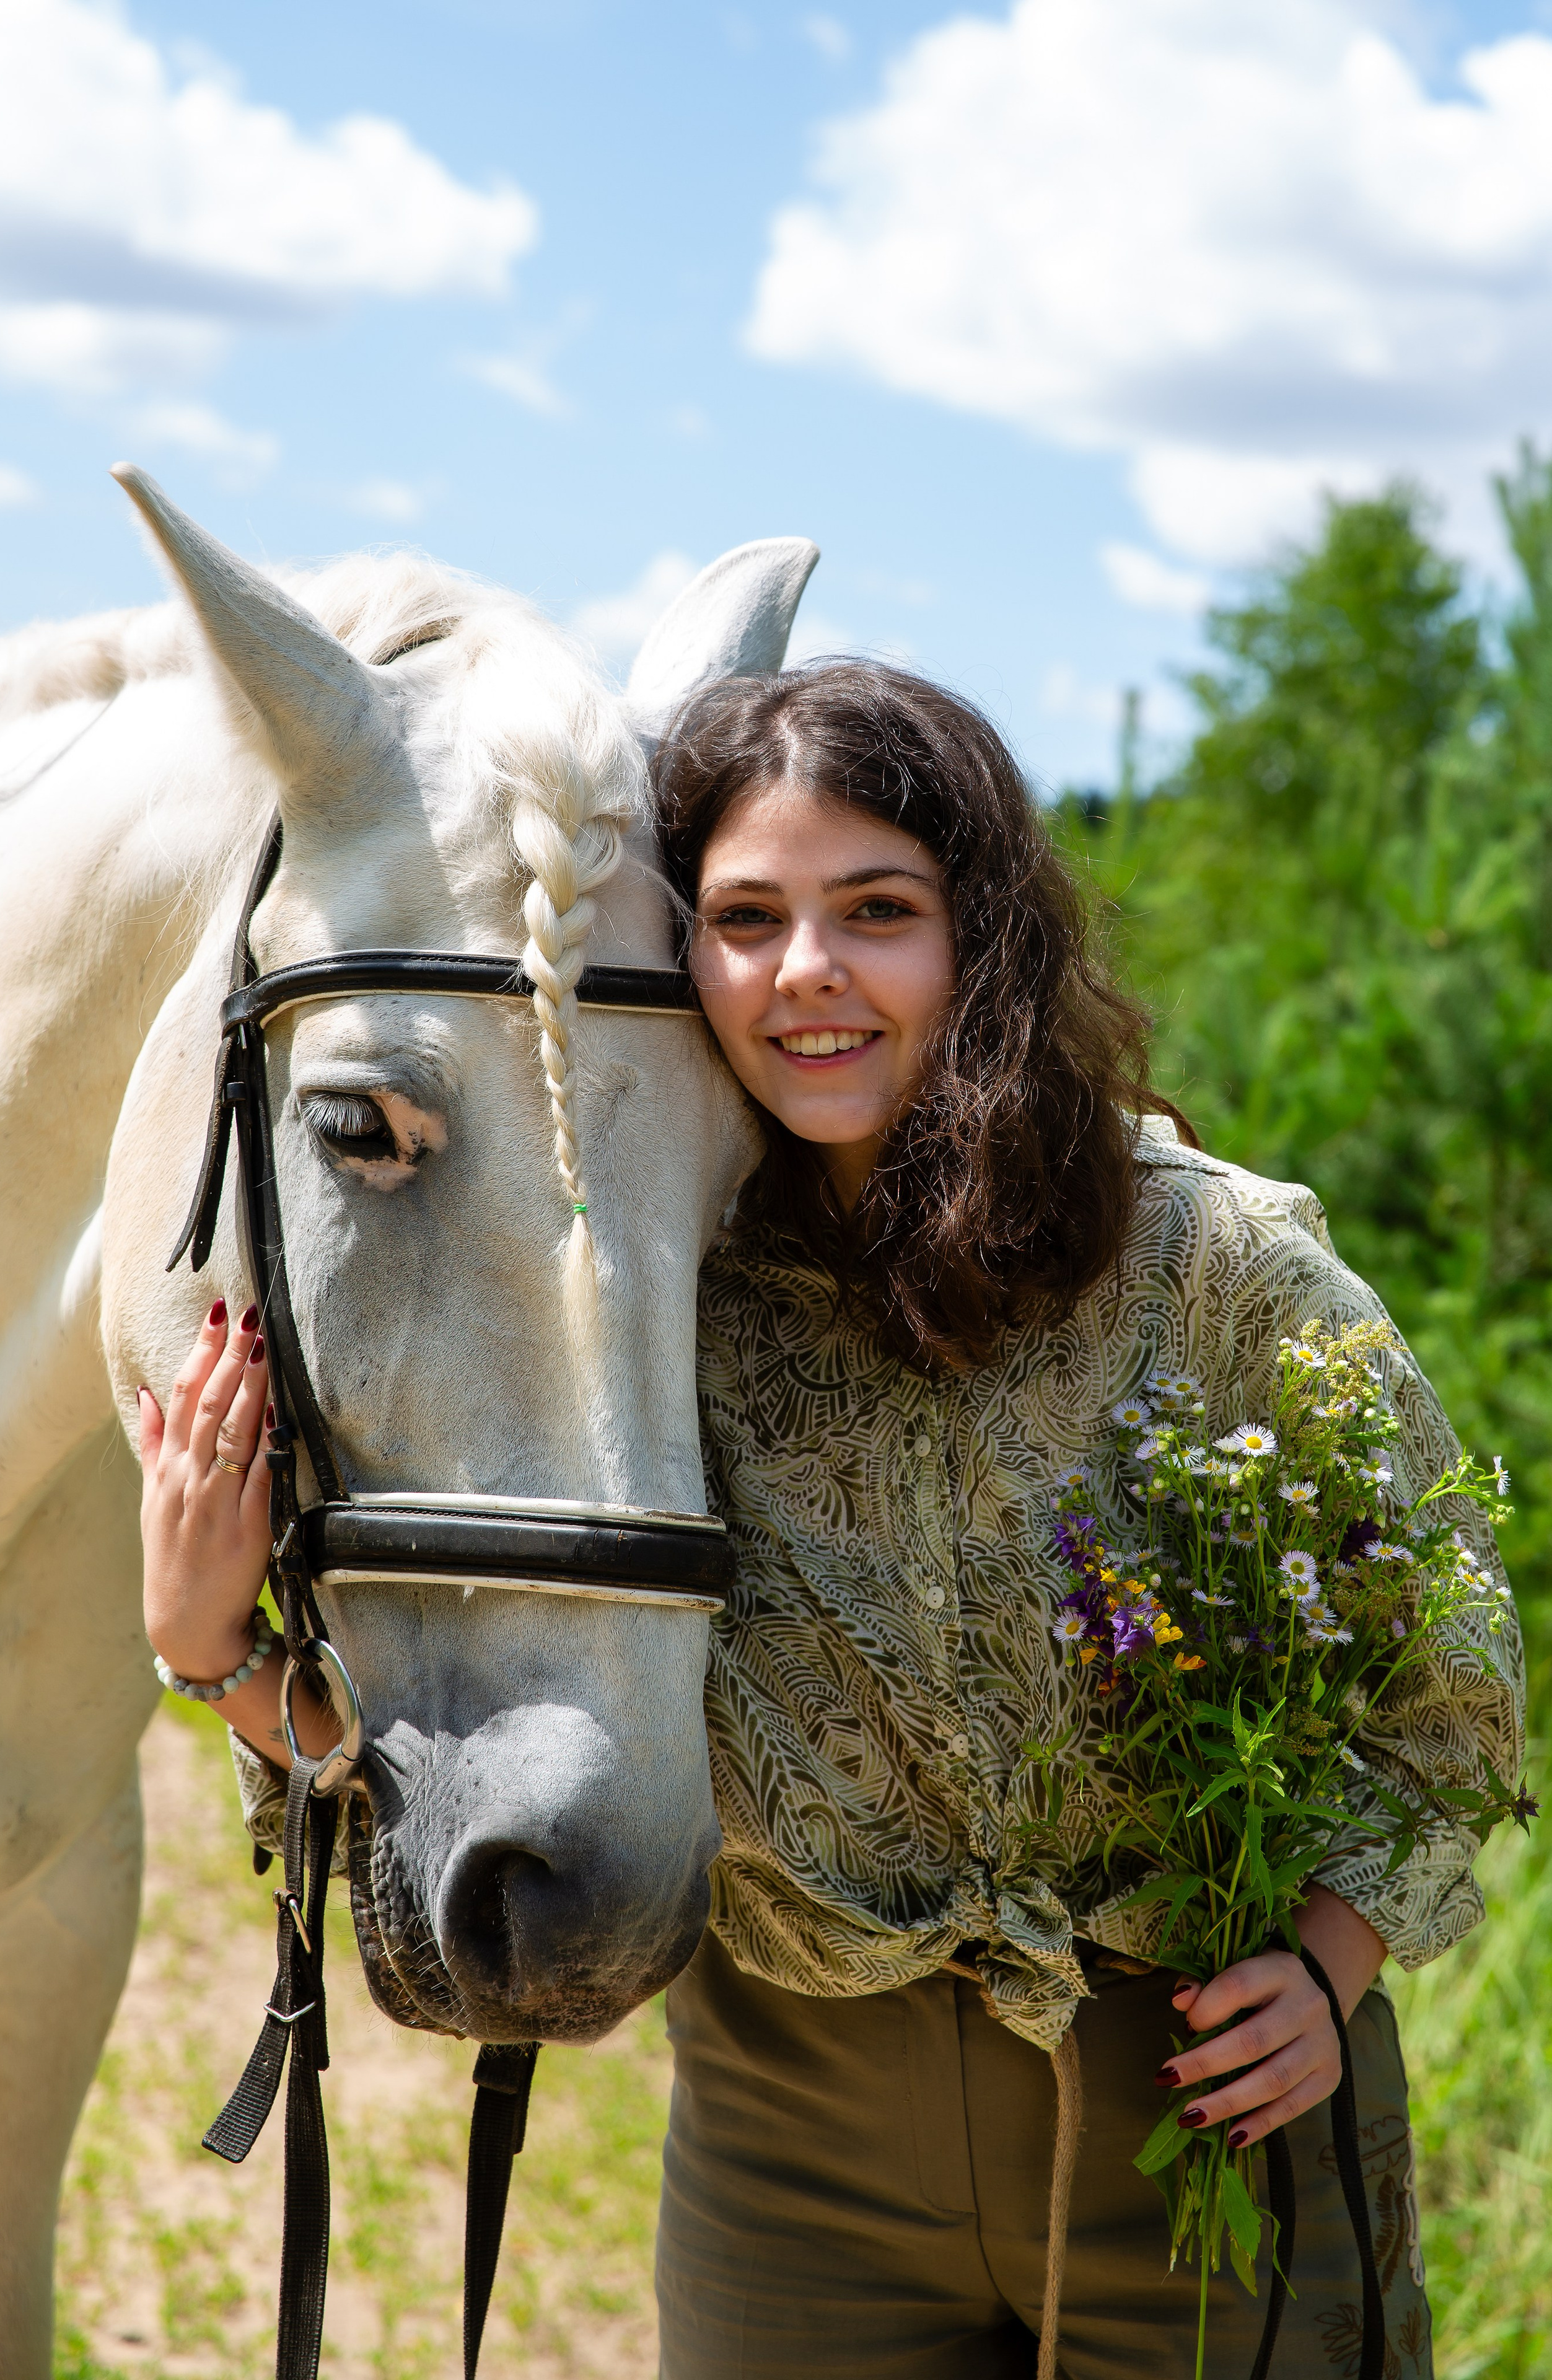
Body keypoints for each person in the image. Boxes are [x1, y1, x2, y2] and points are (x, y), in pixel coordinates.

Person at [141, 661, 1520, 2380]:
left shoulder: (1216, 1260)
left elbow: (1451, 1665)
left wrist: (1330, 1964)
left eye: (877, 909)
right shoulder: (659, 1298)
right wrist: (215, 1652)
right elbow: (483, 1739)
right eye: (744, 916)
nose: (807, 971)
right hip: (793, 2144)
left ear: (982, 934)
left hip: (1198, 2110)